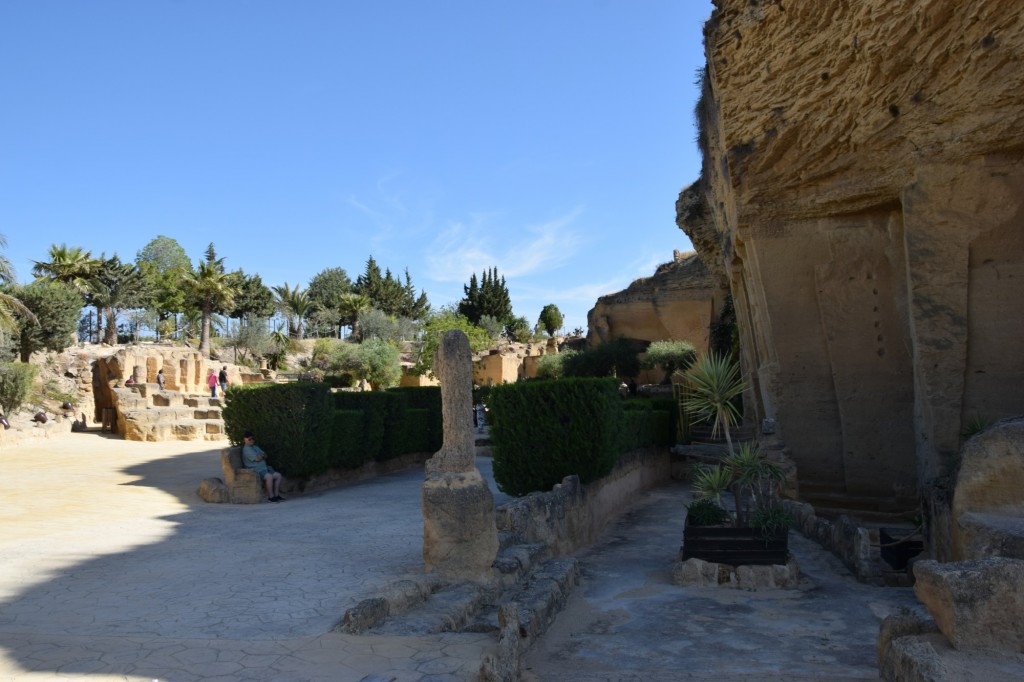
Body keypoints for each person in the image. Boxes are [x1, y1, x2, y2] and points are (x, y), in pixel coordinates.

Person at [242, 430, 284, 502]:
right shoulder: (246, 449)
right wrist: (261, 456)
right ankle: (271, 497)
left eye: (252, 439)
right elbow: (258, 458)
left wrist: (261, 456)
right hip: (256, 470)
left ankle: (276, 495)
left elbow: (265, 455)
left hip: (264, 469)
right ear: (245, 440)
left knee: (278, 475)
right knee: (269, 477)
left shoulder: (255, 447)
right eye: (249, 439)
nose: (252, 440)